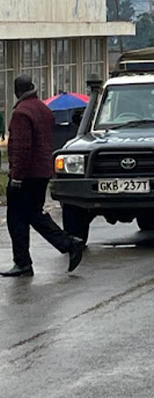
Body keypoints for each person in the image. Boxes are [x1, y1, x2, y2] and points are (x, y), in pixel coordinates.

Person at [1, 75, 85, 277]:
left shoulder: (22, 113)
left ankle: (64, 245)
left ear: (16, 91)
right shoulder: (43, 109)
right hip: (42, 172)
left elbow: (22, 148)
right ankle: (28, 260)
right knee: (32, 214)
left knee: (17, 218)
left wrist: (16, 177)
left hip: (27, 174)